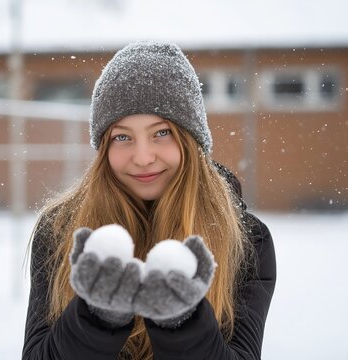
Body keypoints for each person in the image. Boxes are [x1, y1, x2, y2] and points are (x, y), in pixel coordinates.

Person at [22, 41, 276, 360]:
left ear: (191, 139)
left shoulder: (247, 239)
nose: (142, 157)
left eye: (162, 133)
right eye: (122, 137)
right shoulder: (61, 229)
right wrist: (97, 317)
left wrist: (181, 323)